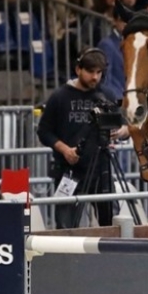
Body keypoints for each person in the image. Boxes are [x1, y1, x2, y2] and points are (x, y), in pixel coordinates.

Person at [36, 48, 130, 229]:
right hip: (69, 170)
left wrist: (121, 131)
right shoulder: (60, 97)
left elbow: (125, 126)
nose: (95, 77)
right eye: (90, 71)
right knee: (66, 226)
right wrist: (64, 149)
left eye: (99, 72)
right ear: (78, 70)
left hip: (101, 169)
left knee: (111, 224)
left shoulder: (107, 96)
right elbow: (44, 131)